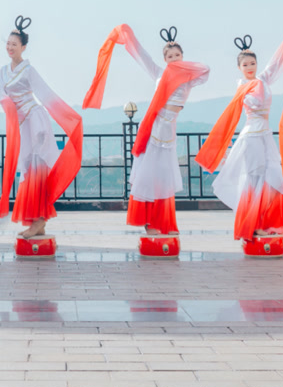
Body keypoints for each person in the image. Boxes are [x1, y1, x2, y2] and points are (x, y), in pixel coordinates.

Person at [82, 24, 210, 235]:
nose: (174, 59)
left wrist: (183, 67)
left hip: (169, 133)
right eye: (170, 56)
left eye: (178, 55)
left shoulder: (188, 79)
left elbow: (206, 70)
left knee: (164, 180)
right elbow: (142, 57)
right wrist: (128, 36)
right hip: (153, 129)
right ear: (164, 60)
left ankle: (165, 222)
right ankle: (149, 222)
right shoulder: (159, 74)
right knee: (149, 176)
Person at [195, 30, 283, 242]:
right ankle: (254, 226)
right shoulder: (242, 86)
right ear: (239, 68)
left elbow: (277, 61)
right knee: (253, 180)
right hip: (251, 137)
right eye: (245, 65)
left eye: (252, 63)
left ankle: (268, 222)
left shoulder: (264, 80)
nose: (250, 67)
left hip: (265, 137)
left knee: (273, 178)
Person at [0, 15, 84, 239]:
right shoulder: (3, 72)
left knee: (38, 170)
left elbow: (45, 94)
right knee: (27, 170)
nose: (10, 47)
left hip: (35, 120)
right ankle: (38, 220)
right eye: (8, 43)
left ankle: (38, 220)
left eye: (14, 44)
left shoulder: (28, 70)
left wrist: (67, 117)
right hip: (20, 124)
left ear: (23, 47)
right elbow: (2, 96)